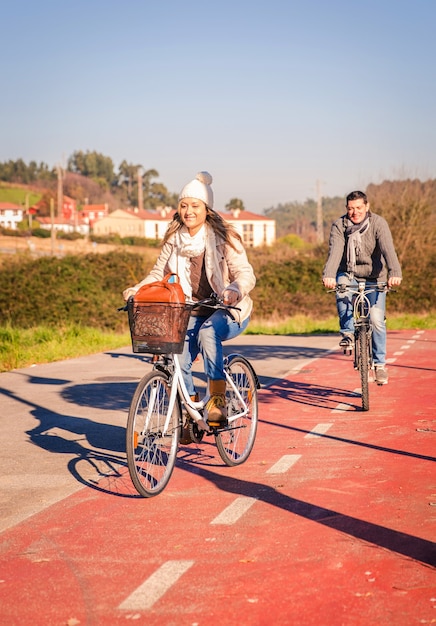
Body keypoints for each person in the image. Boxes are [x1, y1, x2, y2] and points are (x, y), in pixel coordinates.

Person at [123, 171, 256, 426]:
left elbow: (244, 273)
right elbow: (157, 274)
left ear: (207, 209)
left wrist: (235, 290)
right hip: (191, 311)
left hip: (228, 310)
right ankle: (189, 412)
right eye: (183, 205)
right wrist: (137, 290)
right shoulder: (174, 240)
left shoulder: (224, 237)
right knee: (178, 355)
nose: (188, 211)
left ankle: (217, 400)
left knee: (208, 332)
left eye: (195, 206)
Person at [322, 190, 402, 385]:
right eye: (350, 208)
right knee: (341, 288)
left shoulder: (378, 223)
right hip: (348, 274)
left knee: (376, 319)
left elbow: (387, 249)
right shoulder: (339, 226)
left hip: (375, 277)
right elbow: (335, 252)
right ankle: (348, 333)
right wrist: (329, 275)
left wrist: (395, 272)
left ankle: (380, 364)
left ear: (367, 207)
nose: (355, 212)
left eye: (358, 208)